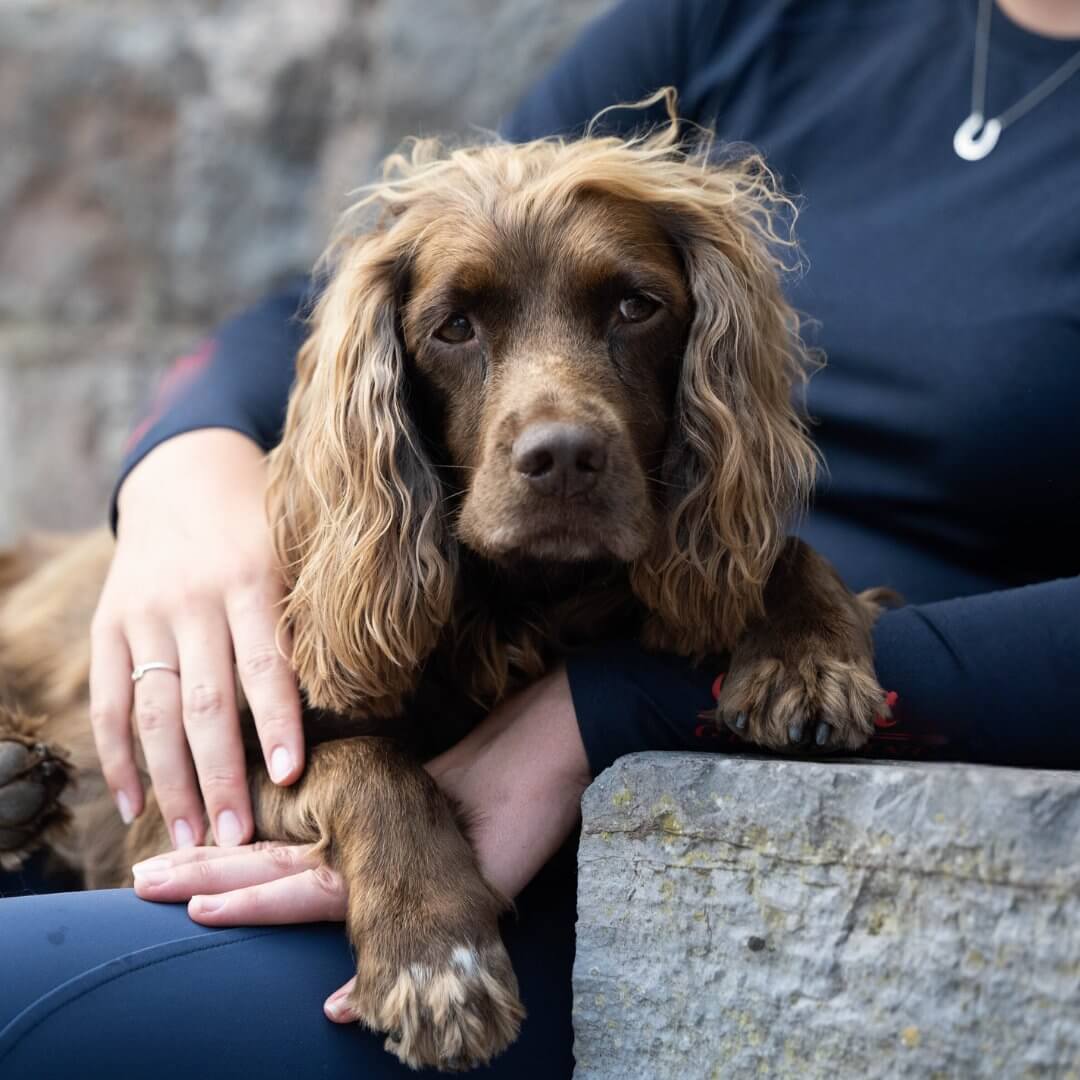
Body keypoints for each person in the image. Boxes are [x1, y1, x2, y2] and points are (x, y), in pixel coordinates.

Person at [2, 0, 1078, 1075]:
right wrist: (181, 465)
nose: (557, 422)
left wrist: (615, 703)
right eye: (460, 331)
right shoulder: (748, 19)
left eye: (631, 311)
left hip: (738, 721)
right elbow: (367, 279)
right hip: (257, 673)